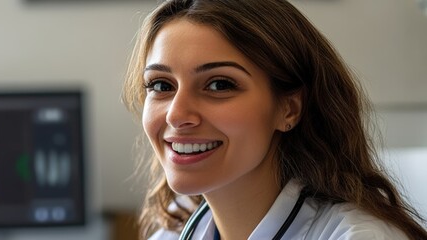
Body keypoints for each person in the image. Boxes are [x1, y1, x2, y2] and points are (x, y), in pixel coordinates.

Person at [121, 0, 427, 239]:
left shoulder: (358, 237)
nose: (176, 115)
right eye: (161, 85)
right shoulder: (171, 231)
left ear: (289, 109)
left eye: (219, 85)